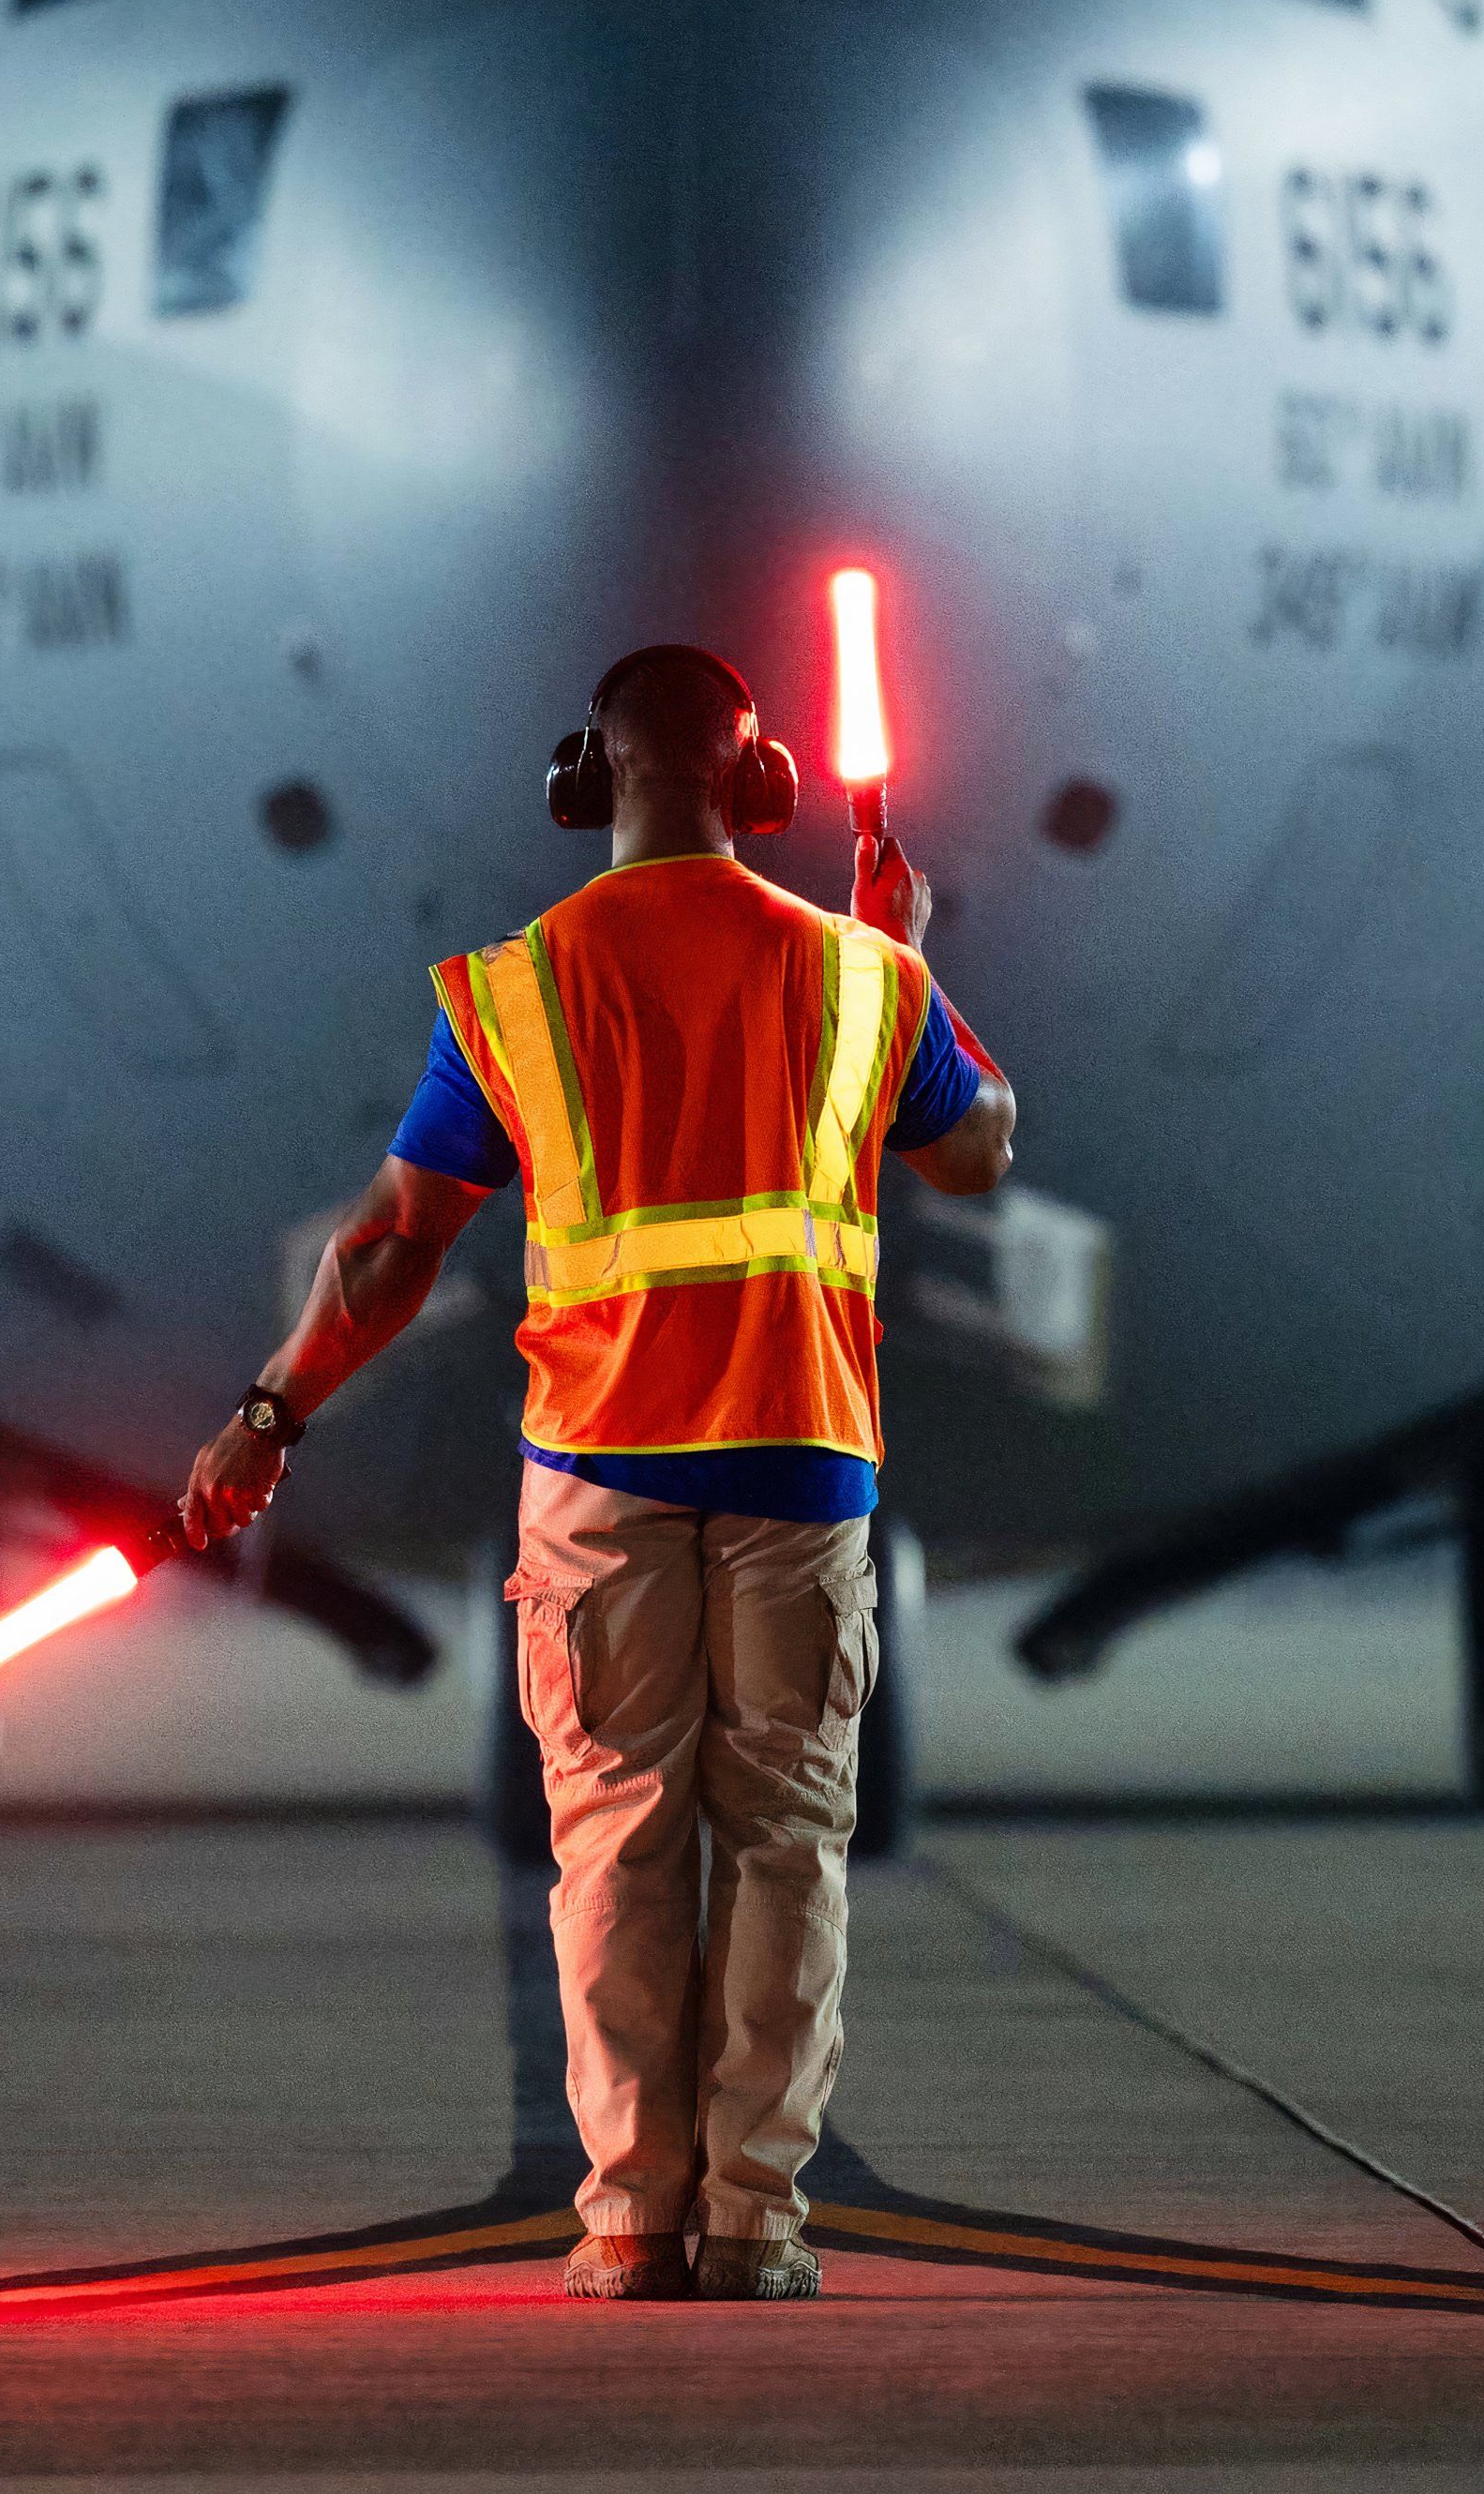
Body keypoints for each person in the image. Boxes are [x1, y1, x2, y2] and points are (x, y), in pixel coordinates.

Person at [179, 642, 1016, 2305]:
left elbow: (390, 1248)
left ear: (589, 779)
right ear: (758, 782)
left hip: (599, 1472)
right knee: (783, 1840)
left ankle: (631, 2215)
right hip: (803, 1461)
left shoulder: (520, 988)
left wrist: (268, 1415)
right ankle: (759, 2217)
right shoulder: (853, 977)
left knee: (619, 1835)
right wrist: (913, 956)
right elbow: (982, 1149)